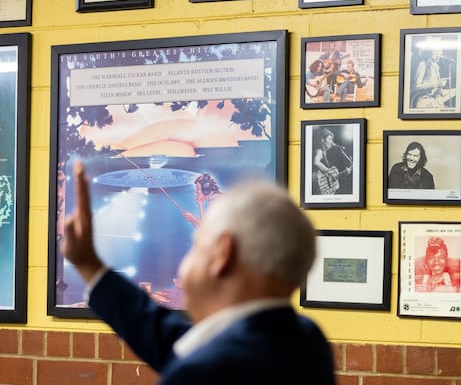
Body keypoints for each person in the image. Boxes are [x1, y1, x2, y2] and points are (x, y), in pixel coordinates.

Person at [61, 161, 335, 385]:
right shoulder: (305, 339)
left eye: (199, 244)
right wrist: (91, 266)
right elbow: (172, 340)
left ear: (222, 254)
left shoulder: (199, 375)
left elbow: (195, 359)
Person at [313, 128, 352, 195]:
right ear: (322, 140)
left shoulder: (326, 154)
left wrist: (345, 172)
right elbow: (316, 162)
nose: (332, 142)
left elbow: (331, 177)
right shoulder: (319, 151)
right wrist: (330, 172)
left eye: (332, 140)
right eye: (329, 139)